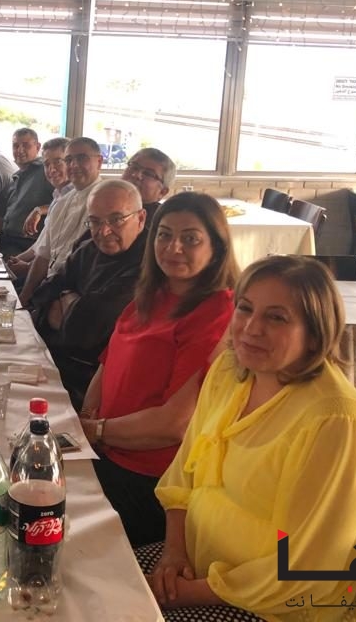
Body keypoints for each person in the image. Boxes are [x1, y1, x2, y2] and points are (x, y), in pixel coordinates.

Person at [145, 255, 356, 621]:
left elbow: (308, 572)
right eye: (245, 308)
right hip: (199, 567)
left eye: (276, 318)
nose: (251, 328)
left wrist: (187, 593)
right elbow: (184, 475)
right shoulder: (230, 372)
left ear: (315, 336)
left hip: (279, 608)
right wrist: (173, 553)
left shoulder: (335, 424)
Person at [78, 192, 239, 547]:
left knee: (40, 515)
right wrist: (86, 424)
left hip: (149, 479)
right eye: (164, 235)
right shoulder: (153, 294)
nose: (173, 248)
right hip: (107, 450)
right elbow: (107, 364)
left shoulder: (216, 313)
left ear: (217, 248)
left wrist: (96, 431)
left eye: (190, 239)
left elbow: (173, 424)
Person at [29, 180, 147, 410]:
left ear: (140, 218)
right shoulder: (89, 248)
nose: (104, 231)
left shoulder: (148, 263)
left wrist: (64, 302)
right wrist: (74, 304)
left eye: (116, 219)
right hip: (51, 357)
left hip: (89, 381)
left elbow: (86, 334)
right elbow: (43, 293)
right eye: (95, 221)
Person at [16, 136, 104, 307]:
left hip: (73, 293)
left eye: (82, 158)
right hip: (49, 286)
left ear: (99, 162)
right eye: (69, 160)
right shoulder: (62, 202)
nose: (74, 165)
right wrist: (24, 299)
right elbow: (43, 256)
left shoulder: (105, 202)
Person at [0, 127, 54, 255]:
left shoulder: (46, 171)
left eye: (26, 145)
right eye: (16, 146)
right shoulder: (16, 177)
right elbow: (1, 217)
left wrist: (39, 210)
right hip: (5, 239)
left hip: (26, 244)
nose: (20, 150)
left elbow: (64, 200)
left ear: (37, 147)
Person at [21, 136, 71, 238]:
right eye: (47, 164)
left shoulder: (79, 195)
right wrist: (39, 210)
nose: (52, 169)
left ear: (71, 162)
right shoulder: (58, 194)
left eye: (58, 162)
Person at [121, 147, 176, 221]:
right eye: (134, 167)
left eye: (148, 174)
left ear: (162, 192)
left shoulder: (162, 221)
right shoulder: (106, 200)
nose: (136, 175)